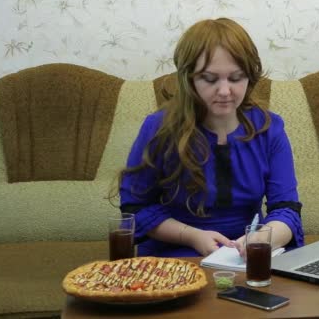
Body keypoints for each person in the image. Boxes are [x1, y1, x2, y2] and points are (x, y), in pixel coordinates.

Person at [116, 17, 304, 258]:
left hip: (245, 256)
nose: (225, 91)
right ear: (189, 79)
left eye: (236, 78)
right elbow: (135, 208)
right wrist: (193, 236)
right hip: (176, 252)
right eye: (209, 79)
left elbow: (286, 208)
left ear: (250, 76)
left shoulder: (270, 128)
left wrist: (261, 239)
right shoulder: (158, 128)